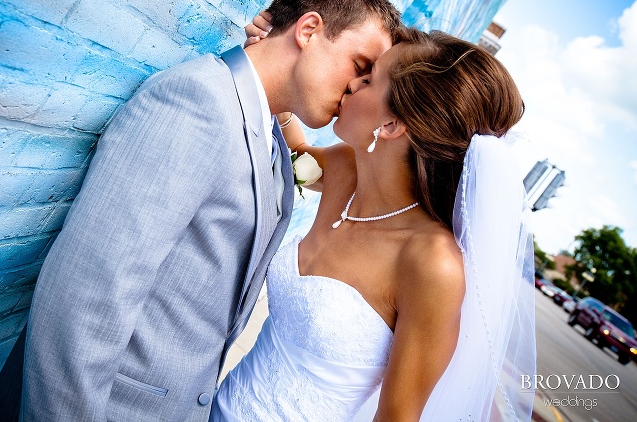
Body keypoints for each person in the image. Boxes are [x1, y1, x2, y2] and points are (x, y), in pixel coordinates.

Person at [0, 0, 401, 422]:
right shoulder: (198, 102)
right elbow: (85, 297)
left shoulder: (267, 131)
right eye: (360, 66)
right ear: (308, 29)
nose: (357, 89)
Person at [211, 26, 536, 421]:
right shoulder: (345, 172)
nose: (351, 83)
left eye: (369, 78)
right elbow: (296, 156)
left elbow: (397, 416)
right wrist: (276, 60)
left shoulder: (432, 264)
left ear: (392, 125)